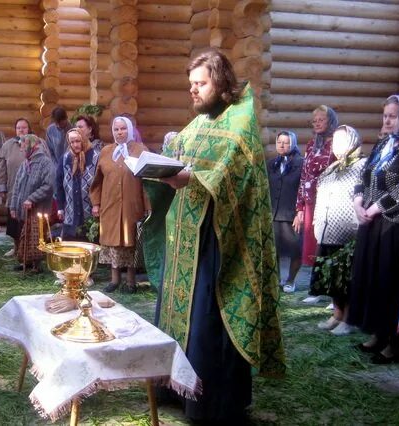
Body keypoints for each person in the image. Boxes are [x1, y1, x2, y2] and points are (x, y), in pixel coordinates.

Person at [144, 49, 285, 423]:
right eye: (190, 84)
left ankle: (210, 401)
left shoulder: (239, 122)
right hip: (186, 236)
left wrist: (190, 176)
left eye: (200, 84)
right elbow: (179, 152)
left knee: (207, 319)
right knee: (178, 313)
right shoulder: (199, 122)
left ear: (220, 82)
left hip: (218, 240)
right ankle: (174, 387)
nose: (193, 91)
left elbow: (231, 172)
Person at [348, 94, 399, 364]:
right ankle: (377, 333)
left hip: (394, 225)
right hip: (370, 222)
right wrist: (358, 202)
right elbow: (363, 174)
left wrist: (374, 208)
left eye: (393, 116)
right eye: (385, 115)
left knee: (389, 281)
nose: (388, 120)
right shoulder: (383, 144)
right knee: (371, 278)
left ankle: (394, 341)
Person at [309, 125, 366, 336]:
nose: (337, 145)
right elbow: (320, 198)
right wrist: (316, 223)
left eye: (342, 141)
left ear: (352, 141)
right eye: (335, 141)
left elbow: (364, 197)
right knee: (332, 277)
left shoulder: (363, 165)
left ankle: (350, 319)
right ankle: (337, 314)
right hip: (327, 231)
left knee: (346, 278)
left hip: (350, 233)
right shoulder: (330, 169)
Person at [89, 116, 150, 294]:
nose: (119, 132)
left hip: (132, 206)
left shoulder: (140, 150)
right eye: (116, 129)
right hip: (110, 206)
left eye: (123, 128)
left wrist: (148, 206)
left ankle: (131, 282)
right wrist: (96, 203)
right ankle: (114, 280)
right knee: (113, 243)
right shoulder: (106, 151)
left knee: (130, 242)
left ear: (129, 130)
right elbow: (97, 182)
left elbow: (148, 181)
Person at [294, 105, 339, 303]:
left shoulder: (338, 143)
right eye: (315, 120)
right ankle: (317, 290)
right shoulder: (312, 144)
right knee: (314, 247)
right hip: (312, 203)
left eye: (322, 119)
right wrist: (300, 208)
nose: (317, 123)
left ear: (331, 121)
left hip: (331, 202)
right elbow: (304, 176)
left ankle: (334, 295)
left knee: (329, 246)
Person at [9, 134, 54, 272]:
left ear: (32, 146)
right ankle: (26, 262)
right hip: (24, 208)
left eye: (23, 146)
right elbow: (17, 186)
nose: (22, 150)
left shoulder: (45, 162)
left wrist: (32, 198)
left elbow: (48, 185)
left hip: (38, 207)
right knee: (25, 234)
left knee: (36, 235)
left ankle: (36, 264)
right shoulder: (25, 163)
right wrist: (13, 206)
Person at [267, 131, 303, 293]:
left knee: (295, 249)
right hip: (273, 214)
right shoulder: (271, 163)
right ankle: (277, 279)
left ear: (293, 144)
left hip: (292, 215)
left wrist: (300, 212)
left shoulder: (301, 163)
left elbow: (304, 189)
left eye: (286, 142)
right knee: (274, 249)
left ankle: (291, 280)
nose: (281, 145)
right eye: (279, 142)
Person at [55, 128, 100, 241]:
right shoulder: (65, 159)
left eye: (78, 141)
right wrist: (60, 207)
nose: (75, 145)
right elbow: (59, 184)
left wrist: (98, 204)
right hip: (71, 215)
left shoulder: (96, 157)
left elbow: (101, 184)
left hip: (91, 215)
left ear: (83, 140)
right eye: (72, 142)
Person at [0, 118, 32, 257]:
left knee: (30, 221)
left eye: (24, 127)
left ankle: (29, 249)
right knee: (14, 221)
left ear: (28, 129)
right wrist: (1, 187)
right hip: (13, 189)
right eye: (19, 128)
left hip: (31, 190)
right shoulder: (7, 146)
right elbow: (1, 169)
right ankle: (16, 247)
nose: (21, 130)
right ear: (15, 130)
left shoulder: (37, 143)